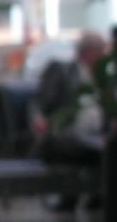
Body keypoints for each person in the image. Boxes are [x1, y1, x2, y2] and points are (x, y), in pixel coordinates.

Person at [30, 31, 107, 166]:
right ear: (91, 52)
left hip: (98, 131)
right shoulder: (61, 70)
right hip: (66, 133)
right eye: (102, 53)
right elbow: (38, 103)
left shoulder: (102, 78)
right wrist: (38, 119)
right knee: (90, 144)